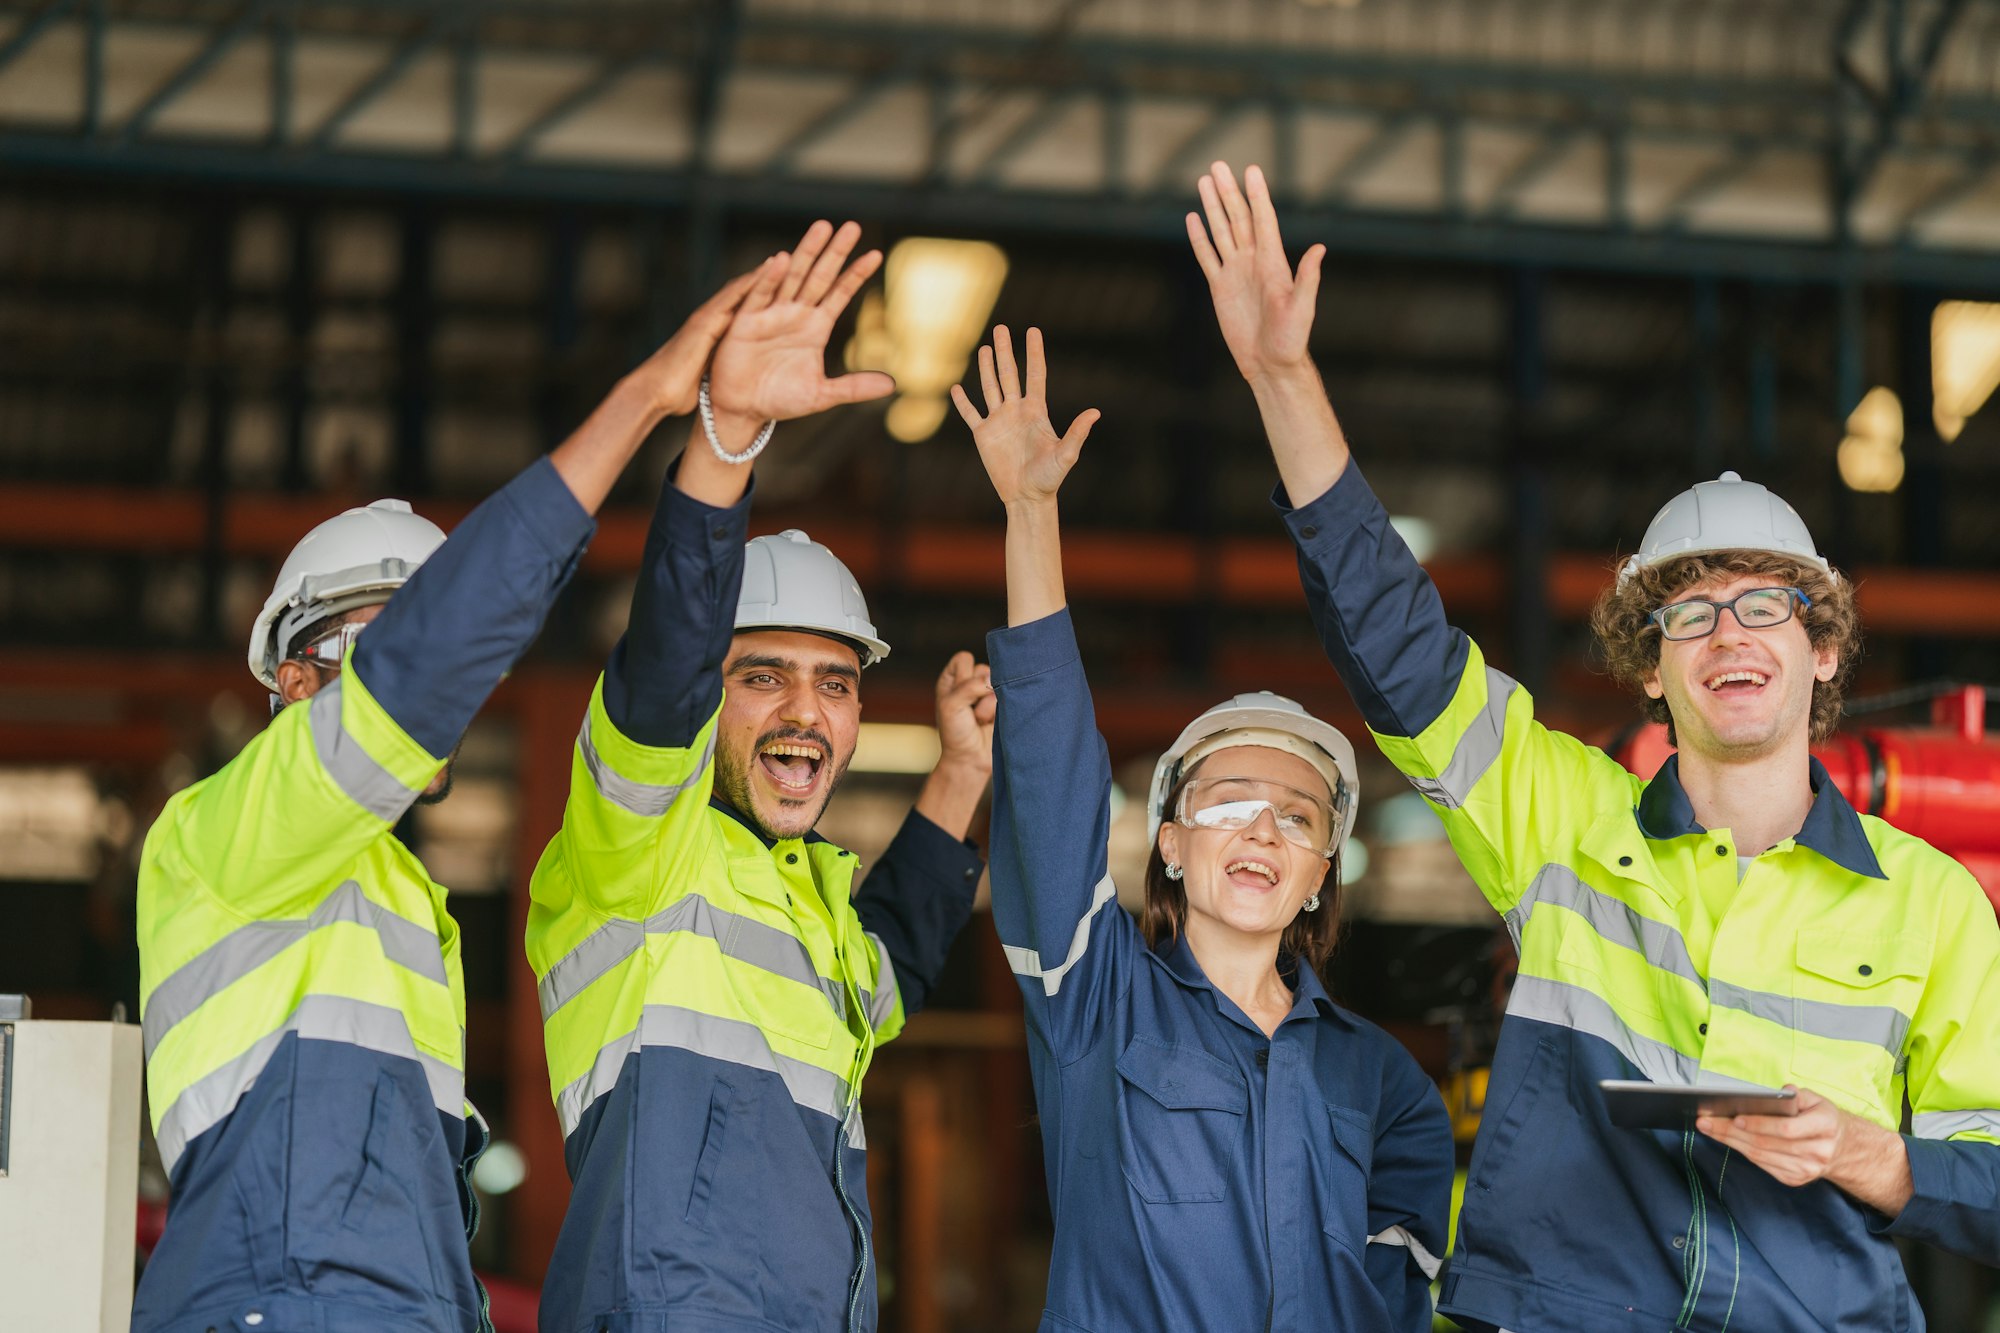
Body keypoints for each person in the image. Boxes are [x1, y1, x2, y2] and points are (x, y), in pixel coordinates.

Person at [1188, 158, 2000, 1331]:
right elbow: (1394, 643)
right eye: (1690, 613)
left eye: (1765, 606)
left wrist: (1877, 1158)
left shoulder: (1927, 906)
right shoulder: (1561, 821)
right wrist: (1278, 376)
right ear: (1651, 663)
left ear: (1821, 649)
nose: (1729, 635)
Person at [132, 260, 773, 1333]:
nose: (438, 684)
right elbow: (427, 664)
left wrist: (728, 441)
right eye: (380, 641)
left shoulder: (412, 910)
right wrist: (648, 408)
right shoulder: (217, 837)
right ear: (293, 680)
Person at [528, 220, 995, 1333]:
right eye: (764, 676)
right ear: (705, 700)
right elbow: (668, 653)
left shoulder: (809, 907)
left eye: (835, 684)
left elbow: (892, 972)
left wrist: (959, 777)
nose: (804, 712)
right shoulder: (640, 841)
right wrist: (727, 439)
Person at [954, 323, 1452, 1332]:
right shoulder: (1094, 1003)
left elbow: (1397, 1295)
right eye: (1224, 801)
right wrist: (1030, 514)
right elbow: (1049, 782)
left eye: (1295, 815)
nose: (1260, 828)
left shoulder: (1384, 1083)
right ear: (1170, 845)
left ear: (1320, 870)